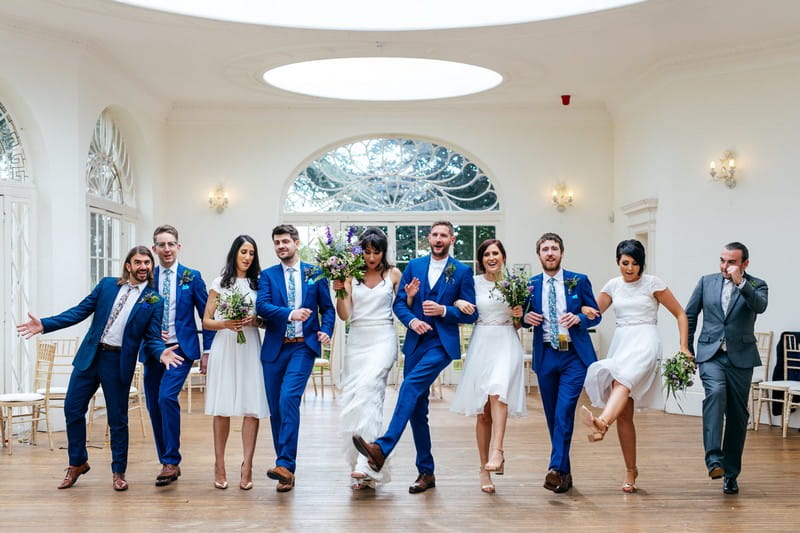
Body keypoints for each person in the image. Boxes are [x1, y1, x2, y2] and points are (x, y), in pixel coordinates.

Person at [16, 246, 181, 491]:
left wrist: (161, 352)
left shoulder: (155, 300)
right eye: (138, 262)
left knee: (117, 420)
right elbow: (79, 312)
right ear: (128, 265)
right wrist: (45, 324)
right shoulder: (107, 285)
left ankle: (118, 472)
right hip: (90, 356)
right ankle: (77, 462)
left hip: (117, 362)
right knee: (72, 409)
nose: (144, 267)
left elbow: (153, 337)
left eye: (147, 262)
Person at [353, 221, 477, 494]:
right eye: (434, 234)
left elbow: (471, 313)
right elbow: (398, 304)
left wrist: (444, 310)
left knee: (409, 387)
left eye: (444, 235)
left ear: (452, 239)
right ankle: (426, 473)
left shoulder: (463, 271)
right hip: (415, 343)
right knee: (418, 411)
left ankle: (382, 448)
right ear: (429, 238)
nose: (438, 239)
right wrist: (411, 320)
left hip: (441, 345)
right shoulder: (414, 266)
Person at [579, 239, 689, 493]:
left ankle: (602, 421)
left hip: (646, 340)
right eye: (625, 263)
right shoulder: (612, 286)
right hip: (622, 342)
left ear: (642, 264)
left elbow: (681, 314)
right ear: (617, 262)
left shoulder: (653, 283)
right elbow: (593, 314)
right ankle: (631, 470)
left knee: (622, 381)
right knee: (625, 413)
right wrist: (583, 310)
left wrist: (684, 346)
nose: (630, 269)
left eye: (635, 264)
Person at [256, 224, 335, 492]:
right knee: (277, 409)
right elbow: (262, 306)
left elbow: (328, 309)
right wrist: (290, 313)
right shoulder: (267, 276)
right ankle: (285, 472)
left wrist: (325, 330)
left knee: (289, 397)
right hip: (275, 350)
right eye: (277, 242)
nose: (281, 246)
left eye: (285, 241)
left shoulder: (315, 273)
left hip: (303, 347)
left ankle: (285, 464)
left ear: (296, 243)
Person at [685, 242, 768, 495]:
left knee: (737, 416)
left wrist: (741, 282)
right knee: (716, 393)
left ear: (745, 264)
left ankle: (730, 474)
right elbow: (689, 315)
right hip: (710, 355)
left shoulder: (757, 285)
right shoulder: (705, 282)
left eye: (731, 262)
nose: (724, 266)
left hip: (741, 358)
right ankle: (714, 460)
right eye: (722, 260)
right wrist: (687, 349)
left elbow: (760, 306)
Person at [522, 232, 601, 494]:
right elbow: (520, 317)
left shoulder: (578, 281)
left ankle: (554, 467)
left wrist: (580, 318)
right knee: (552, 416)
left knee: (564, 410)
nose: (550, 253)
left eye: (554, 248)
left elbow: (595, 314)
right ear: (539, 255)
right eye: (545, 249)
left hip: (573, 356)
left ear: (562, 252)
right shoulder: (530, 285)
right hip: (545, 355)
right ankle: (563, 475)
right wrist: (526, 318)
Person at [449, 239, 528, 494]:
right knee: (483, 412)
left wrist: (518, 315)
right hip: (482, 342)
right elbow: (462, 310)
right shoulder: (472, 282)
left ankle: (498, 450)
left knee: (498, 391)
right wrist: (459, 304)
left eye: (496, 253)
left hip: (506, 340)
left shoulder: (514, 284)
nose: (491, 258)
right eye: (486, 254)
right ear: (481, 259)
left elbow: (518, 324)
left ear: (503, 256)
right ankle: (485, 469)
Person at [144, 225, 215, 487]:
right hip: (152, 351)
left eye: (171, 244)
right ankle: (166, 461)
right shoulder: (146, 277)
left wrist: (207, 351)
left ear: (178, 247)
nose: (166, 249)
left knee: (166, 397)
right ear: (154, 249)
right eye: (161, 245)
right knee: (153, 405)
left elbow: (207, 317)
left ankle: (172, 460)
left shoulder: (191, 277)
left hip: (180, 350)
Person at [331, 227, 402, 490]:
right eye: (368, 252)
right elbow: (344, 315)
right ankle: (360, 469)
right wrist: (339, 290)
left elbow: (403, 305)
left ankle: (366, 463)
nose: (372, 257)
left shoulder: (393, 274)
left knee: (371, 390)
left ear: (384, 252)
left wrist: (413, 296)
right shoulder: (350, 275)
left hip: (383, 338)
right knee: (355, 399)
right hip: (358, 340)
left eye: (376, 252)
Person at [201, 235, 269, 490]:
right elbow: (207, 320)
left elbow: (266, 320)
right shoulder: (220, 282)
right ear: (234, 254)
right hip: (225, 346)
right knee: (222, 408)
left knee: (251, 408)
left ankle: (247, 465)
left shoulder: (260, 284)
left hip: (250, 346)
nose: (247, 256)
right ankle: (219, 464)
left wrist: (255, 321)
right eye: (243, 251)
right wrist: (226, 324)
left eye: (252, 252)